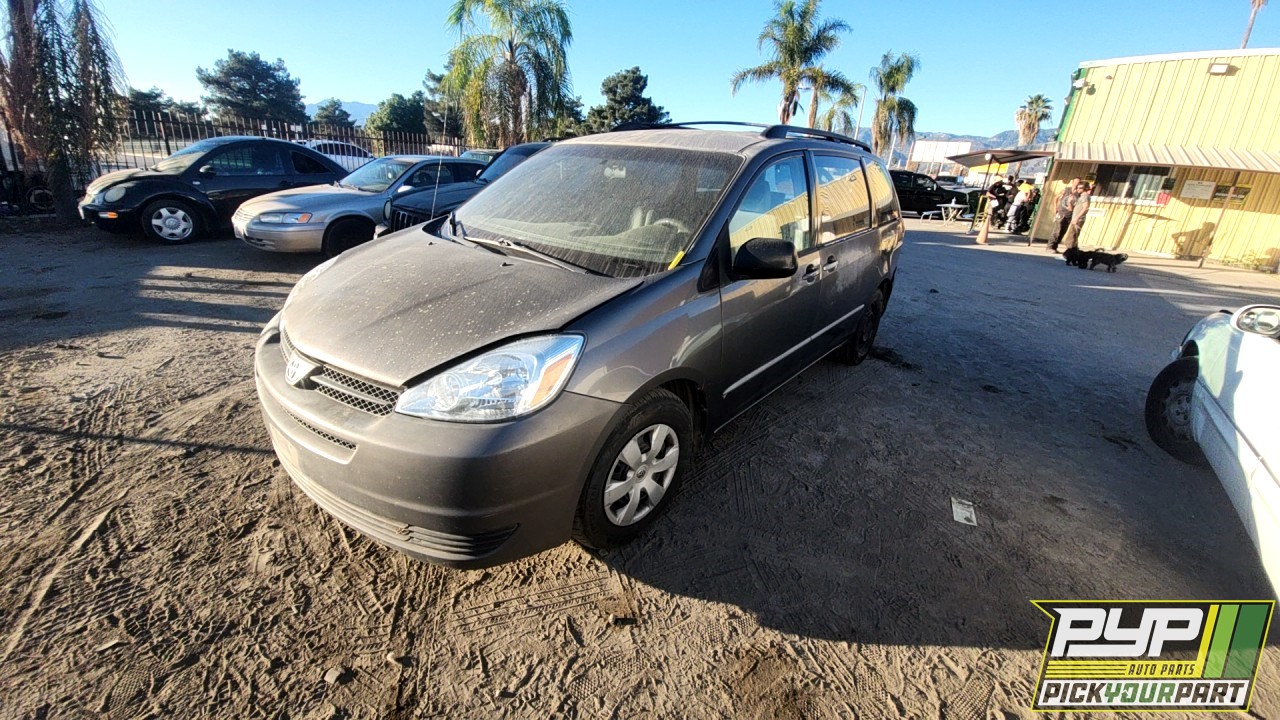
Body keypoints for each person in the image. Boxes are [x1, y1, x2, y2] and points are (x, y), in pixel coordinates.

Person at [1049, 177, 1082, 252]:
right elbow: (1056, 198)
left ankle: (1055, 247)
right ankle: (1050, 247)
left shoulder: (1078, 193)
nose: (1076, 184)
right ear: (1072, 182)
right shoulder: (1066, 190)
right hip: (1061, 212)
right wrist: (1055, 207)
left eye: (1078, 183)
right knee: (1057, 230)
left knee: (1063, 231)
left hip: (1069, 214)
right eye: (1075, 182)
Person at [1064, 182, 1091, 251]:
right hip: (1075, 219)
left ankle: (1071, 252)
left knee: (1072, 237)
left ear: (1085, 188)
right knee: (1072, 236)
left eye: (1080, 188)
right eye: (1077, 188)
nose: (1078, 189)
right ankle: (1073, 251)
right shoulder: (1081, 197)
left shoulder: (1085, 196)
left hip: (1078, 219)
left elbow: (1085, 208)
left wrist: (1077, 218)